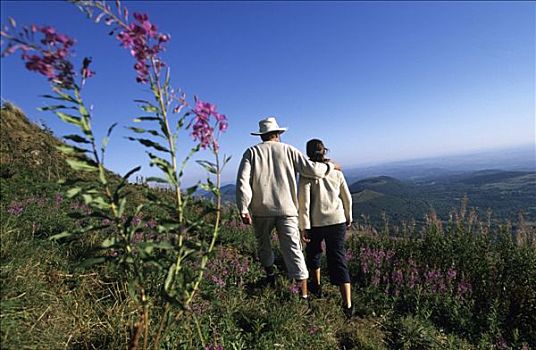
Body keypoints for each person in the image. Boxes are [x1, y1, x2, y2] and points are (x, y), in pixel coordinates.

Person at [236, 117, 339, 300]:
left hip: (261, 210)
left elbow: (243, 181)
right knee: (294, 250)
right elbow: (311, 171)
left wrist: (243, 208)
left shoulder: (251, 152)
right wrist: (330, 166)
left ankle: (270, 277)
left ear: (262, 136)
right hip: (287, 210)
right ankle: (304, 296)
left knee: (263, 245)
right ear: (277, 134)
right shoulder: (289, 150)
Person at [298, 139, 354, 317]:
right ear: (324, 151)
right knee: (338, 258)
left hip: (316, 223)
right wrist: (348, 216)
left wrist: (303, 227)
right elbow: (347, 197)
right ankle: (348, 305)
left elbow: (303, 203)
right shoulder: (336, 171)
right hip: (337, 221)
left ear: (308, 153)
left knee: (314, 253)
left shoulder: (307, 174)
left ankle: (316, 286)